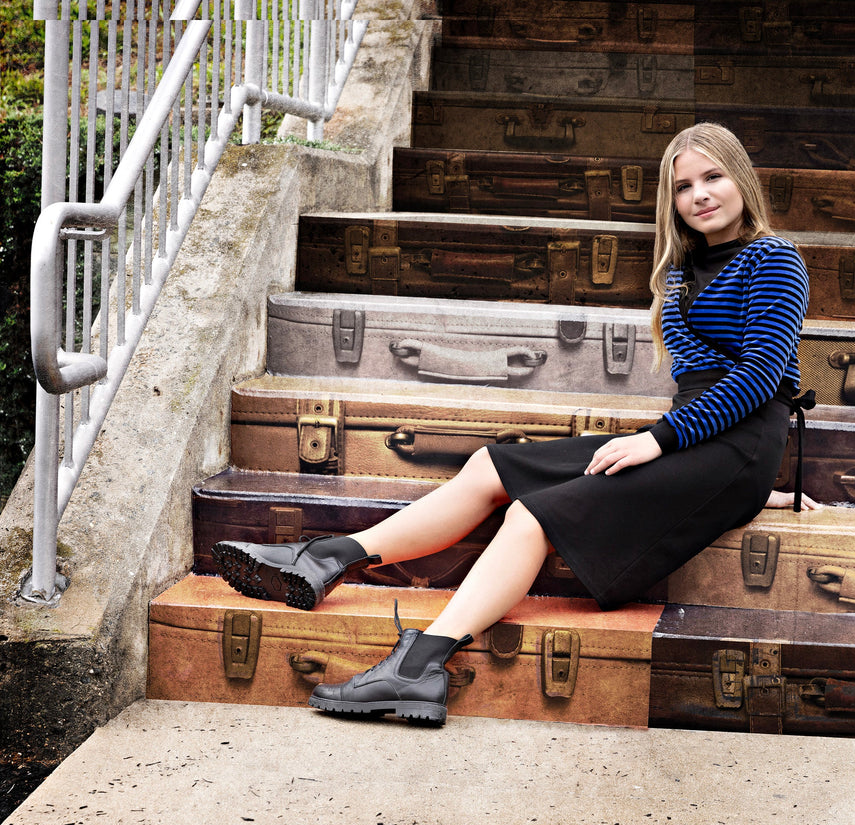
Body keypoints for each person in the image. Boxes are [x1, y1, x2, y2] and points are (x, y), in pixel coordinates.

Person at [212, 121, 820, 725]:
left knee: (533, 514)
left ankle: (420, 666)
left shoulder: (773, 260)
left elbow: (760, 376)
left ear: (741, 180)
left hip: (732, 444)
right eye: (685, 186)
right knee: (490, 465)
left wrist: (670, 449)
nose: (701, 195)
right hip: (700, 438)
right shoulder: (682, 271)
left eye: (713, 177)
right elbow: (702, 389)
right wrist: (682, 452)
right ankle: (326, 558)